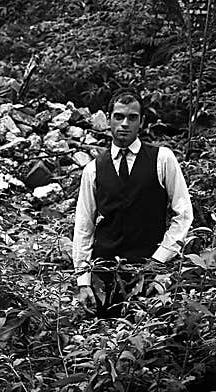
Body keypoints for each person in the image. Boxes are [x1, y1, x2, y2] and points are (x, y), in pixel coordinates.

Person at [72, 90, 193, 317]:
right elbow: (83, 227)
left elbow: (184, 214)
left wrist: (159, 260)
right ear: (108, 119)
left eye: (132, 117)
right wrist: (83, 281)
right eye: (118, 116)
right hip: (104, 278)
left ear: (142, 121)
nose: (124, 124)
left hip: (149, 276)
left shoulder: (162, 159)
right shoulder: (93, 169)